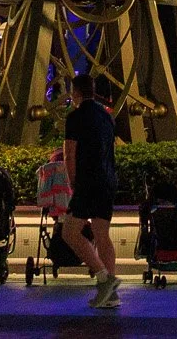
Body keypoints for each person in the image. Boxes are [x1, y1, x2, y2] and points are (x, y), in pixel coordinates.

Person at [60, 73, 120, 311]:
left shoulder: (74, 117)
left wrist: (73, 181)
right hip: (107, 180)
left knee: (70, 232)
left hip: (87, 181)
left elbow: (69, 154)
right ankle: (111, 295)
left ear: (75, 93)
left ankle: (104, 278)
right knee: (101, 233)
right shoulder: (106, 117)